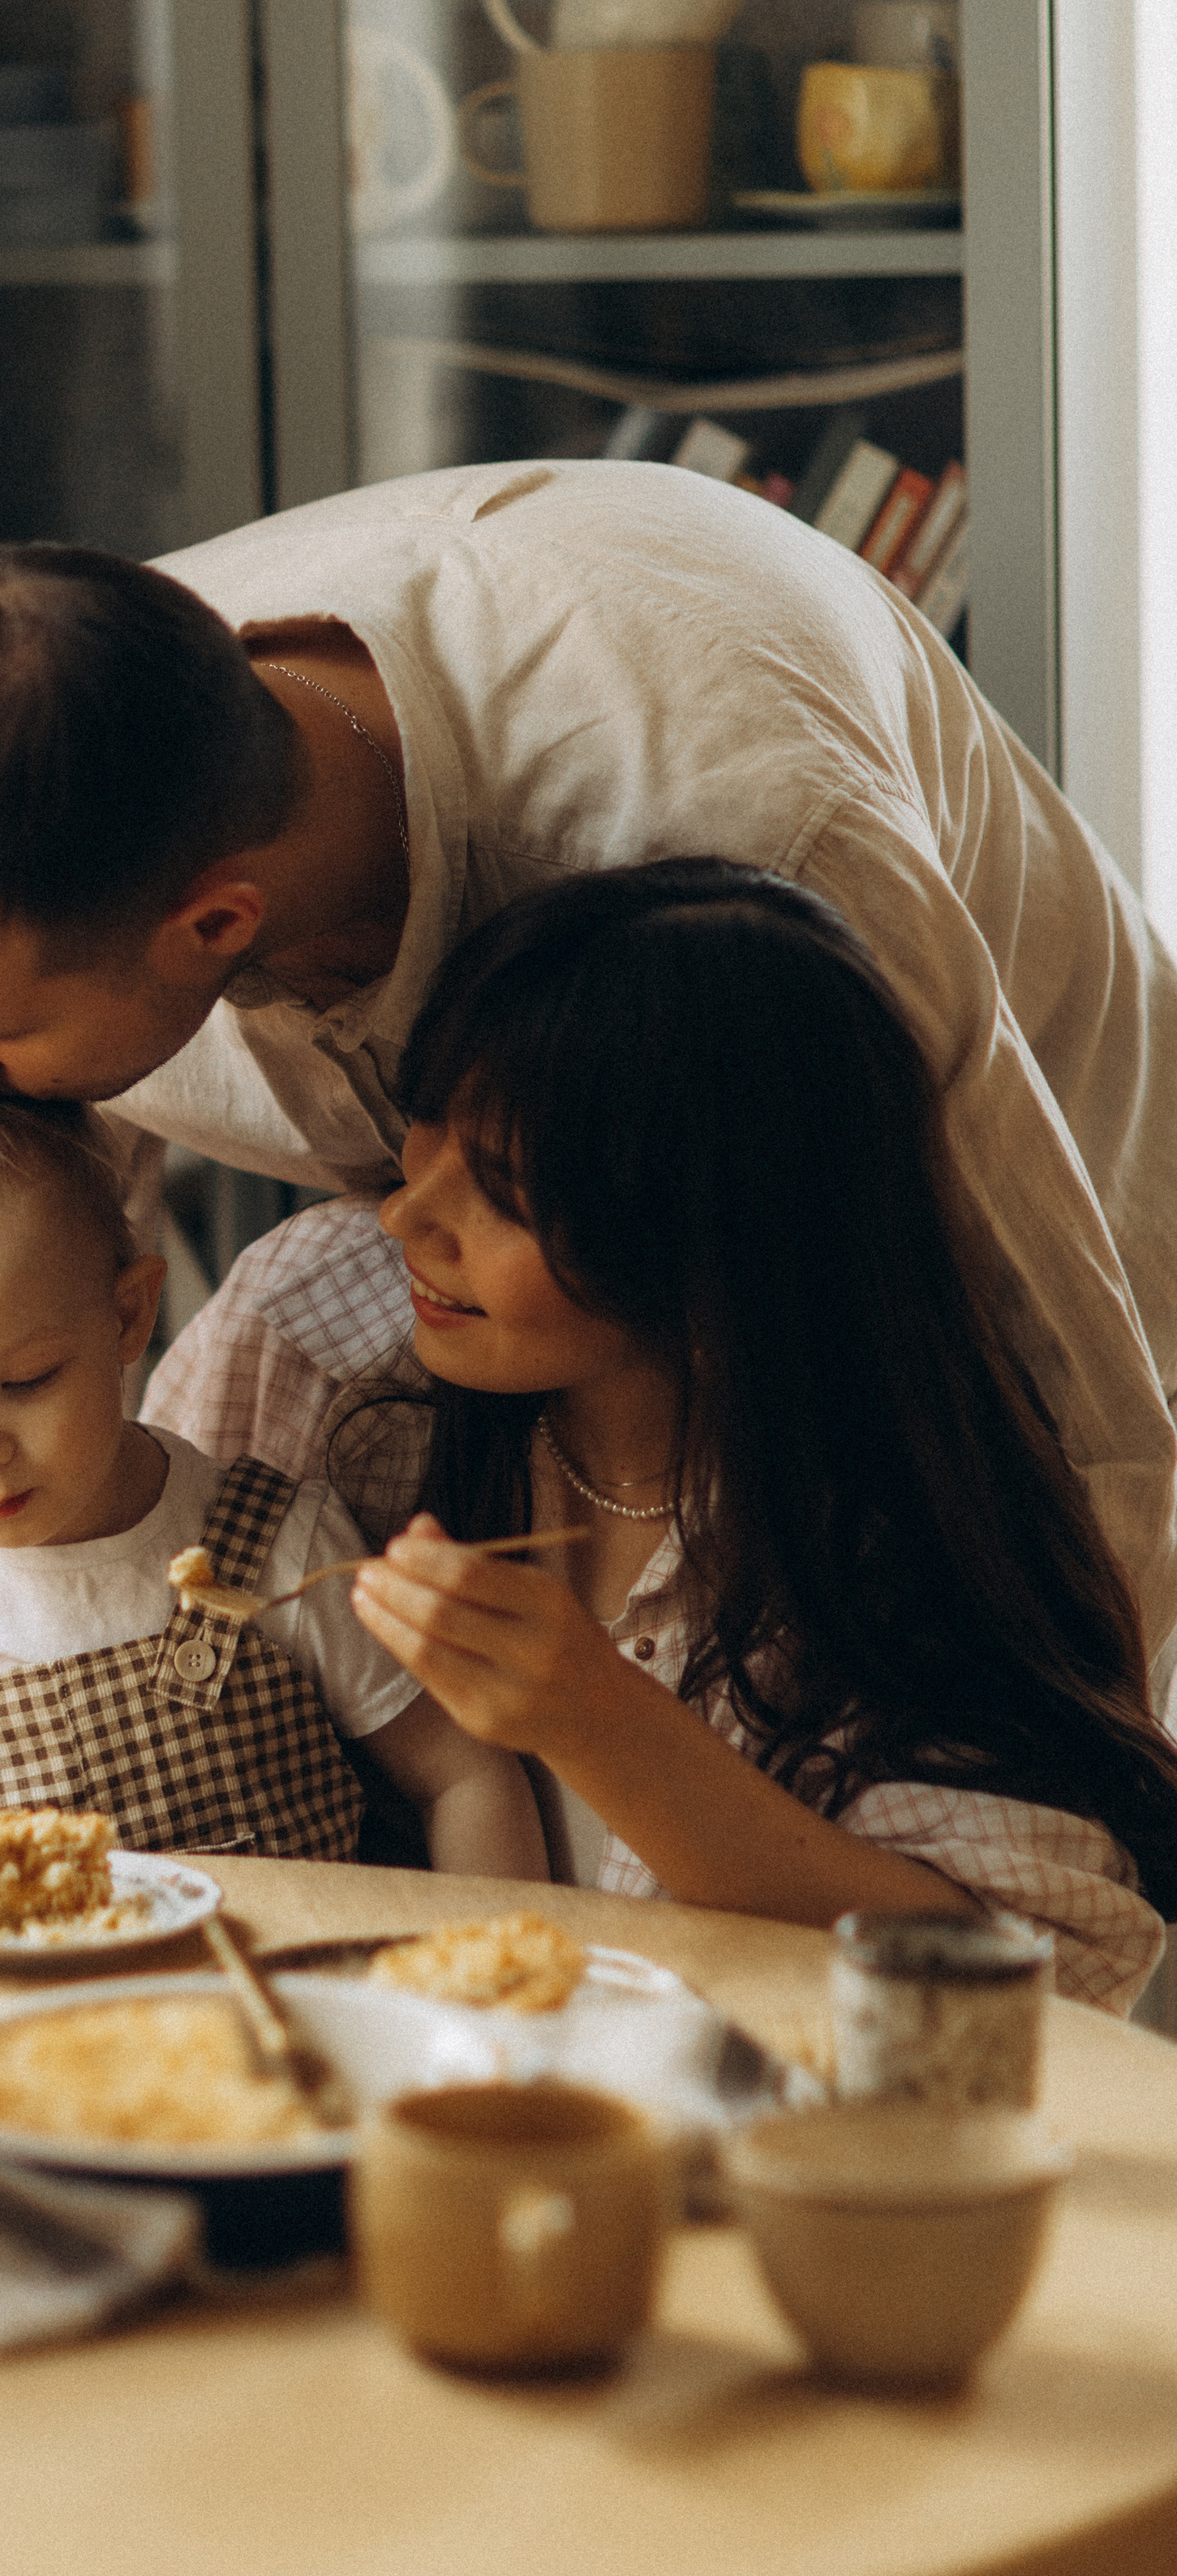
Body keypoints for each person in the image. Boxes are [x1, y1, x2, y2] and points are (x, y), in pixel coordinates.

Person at [0, 465, 1177, 1677]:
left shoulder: (736, 830)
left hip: (1016, 1211)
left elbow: (1089, 1404)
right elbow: (1, 1300)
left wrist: (1087, 1787)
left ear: (215, 927)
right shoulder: (54, 760)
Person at [316, 860, 1172, 2011]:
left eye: (508, 1192)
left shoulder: (881, 1551)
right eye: (428, 1129)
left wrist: (599, 1724)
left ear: (715, 1263)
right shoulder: (322, 1357)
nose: (407, 1213)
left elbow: (1026, 1978)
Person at [0, 1050, 538, 1875]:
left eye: (27, 1380)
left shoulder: (274, 1545)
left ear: (126, 1316)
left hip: (259, 1997)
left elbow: (460, 1774)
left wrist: (489, 1981)